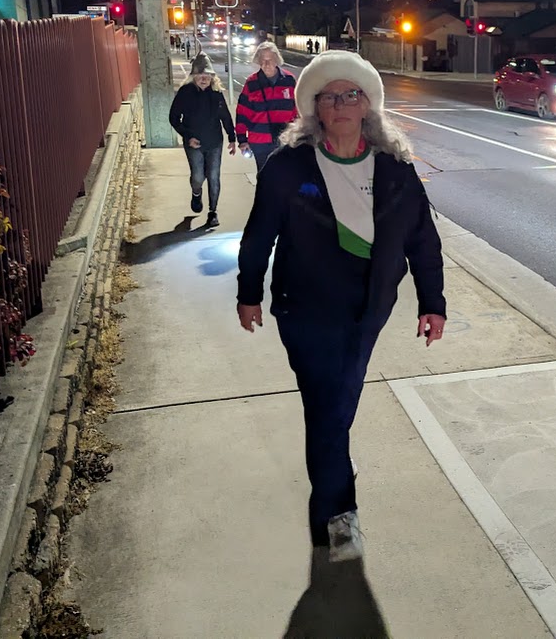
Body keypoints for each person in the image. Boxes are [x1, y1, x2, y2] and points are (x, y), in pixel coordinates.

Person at [237, 51, 446, 562]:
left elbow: (423, 239)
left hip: (368, 309)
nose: (341, 104)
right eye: (329, 97)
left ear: (367, 104)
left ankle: (331, 482)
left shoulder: (395, 168)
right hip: (305, 308)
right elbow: (259, 234)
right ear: (315, 109)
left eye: (352, 94)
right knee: (326, 407)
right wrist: (248, 292)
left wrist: (432, 301)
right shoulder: (289, 167)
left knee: (340, 402)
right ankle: (337, 514)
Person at [168, 54, 236, 228]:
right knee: (198, 176)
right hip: (194, 143)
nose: (204, 79)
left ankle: (213, 212)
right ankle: (196, 193)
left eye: (208, 76)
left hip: (214, 142)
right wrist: (187, 136)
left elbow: (225, 116)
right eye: (200, 75)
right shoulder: (185, 93)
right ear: (193, 76)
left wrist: (232, 137)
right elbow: (174, 118)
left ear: (212, 77)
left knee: (213, 176)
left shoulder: (216, 94)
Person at [236, 41, 297, 171]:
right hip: (260, 142)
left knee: (286, 177)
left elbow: (297, 110)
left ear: (277, 60)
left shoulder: (289, 80)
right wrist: (242, 139)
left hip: (285, 140)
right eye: (263, 60)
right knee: (264, 177)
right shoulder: (251, 83)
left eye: (270, 60)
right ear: (258, 61)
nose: (267, 64)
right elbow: (242, 112)